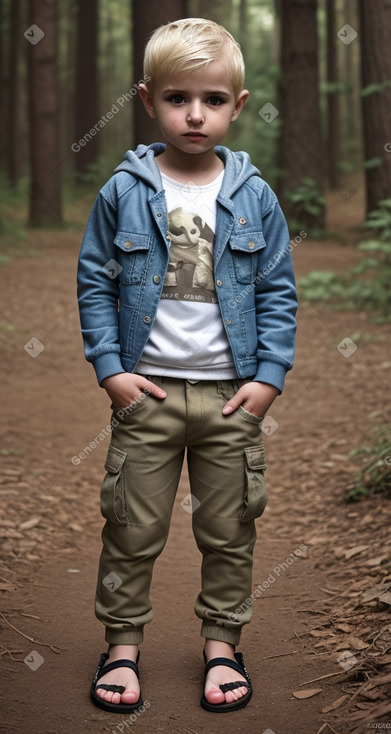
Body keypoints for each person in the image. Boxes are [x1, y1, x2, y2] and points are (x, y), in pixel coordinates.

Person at [77, 17, 297, 715]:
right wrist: (110, 369)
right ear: (147, 100)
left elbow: (276, 289)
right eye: (176, 98)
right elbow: (95, 281)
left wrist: (268, 376)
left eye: (211, 98)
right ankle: (120, 644)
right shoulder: (123, 190)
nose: (194, 113)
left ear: (237, 102)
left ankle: (222, 642)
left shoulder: (253, 194)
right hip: (147, 396)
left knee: (229, 530)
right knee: (132, 528)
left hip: (231, 398)